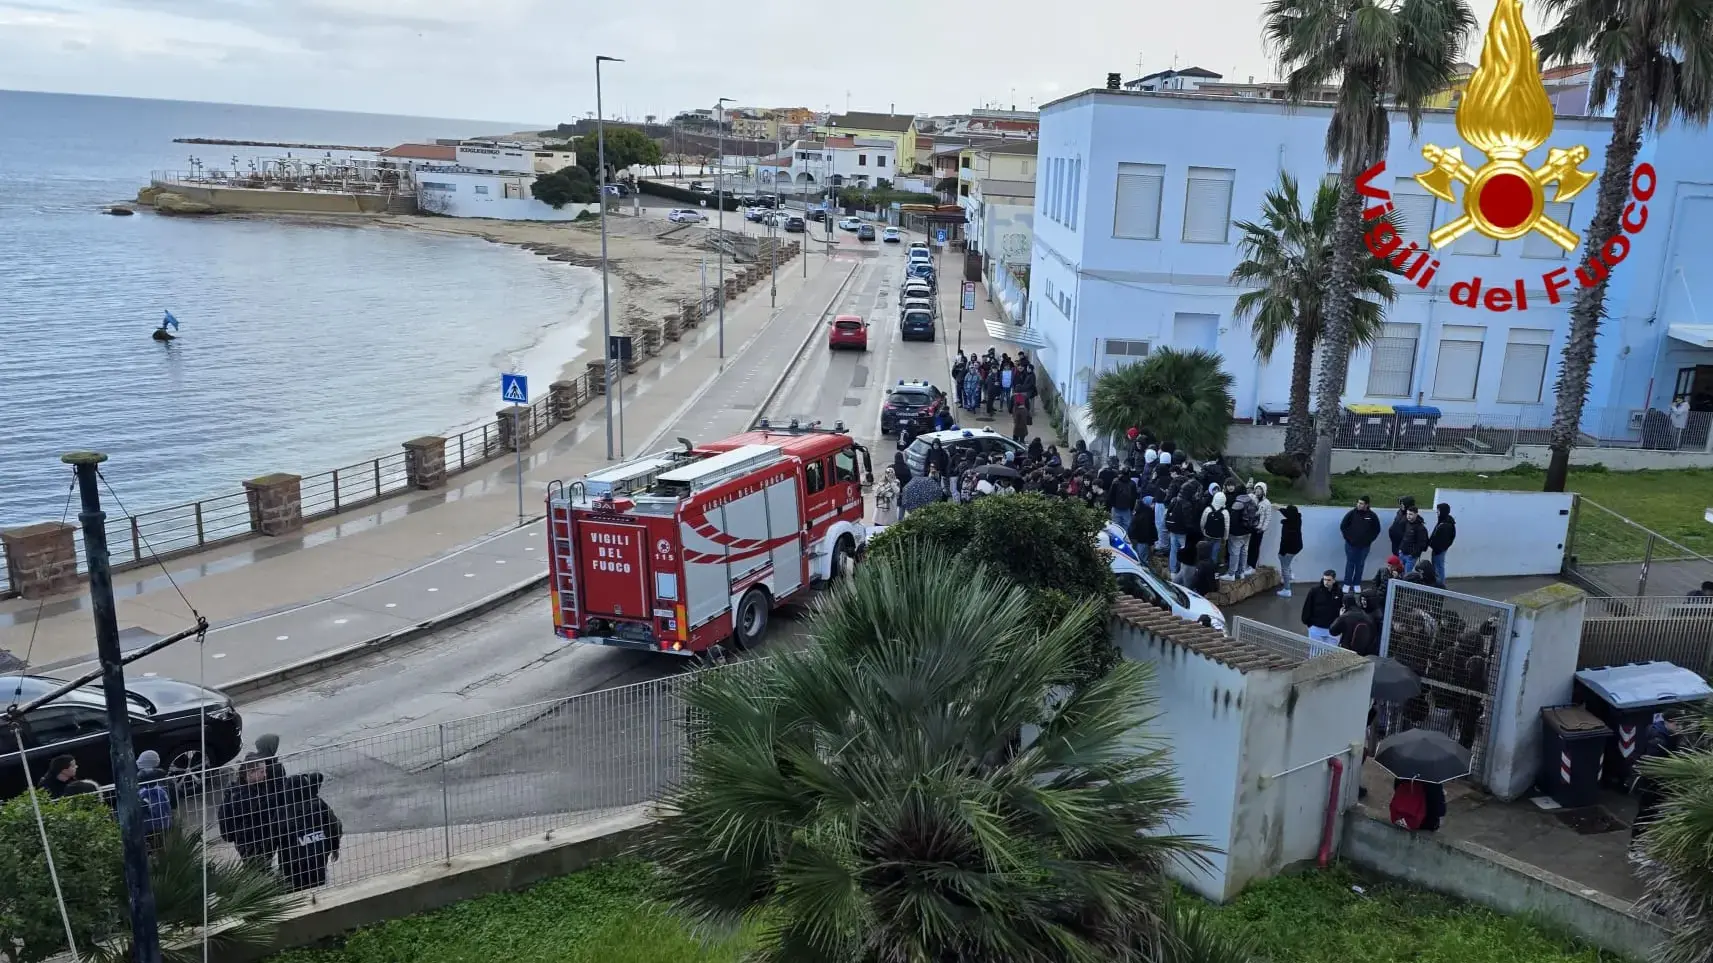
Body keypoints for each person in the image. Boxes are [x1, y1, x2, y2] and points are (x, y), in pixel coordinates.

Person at [276, 772, 343, 891]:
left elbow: (272, 838)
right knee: (321, 889)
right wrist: (334, 847)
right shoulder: (318, 804)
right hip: (317, 860)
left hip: (291, 866)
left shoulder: (282, 812)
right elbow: (334, 826)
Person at [219, 754, 282, 870]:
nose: (265, 775)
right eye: (261, 771)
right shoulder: (239, 795)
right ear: (250, 773)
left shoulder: (256, 787)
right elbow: (261, 807)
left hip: (261, 839)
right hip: (250, 842)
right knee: (257, 869)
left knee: (262, 867)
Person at [1339, 496, 1382, 592]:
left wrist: (1369, 540)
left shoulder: (1372, 516)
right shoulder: (1351, 514)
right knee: (1350, 563)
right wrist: (1349, 538)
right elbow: (1343, 526)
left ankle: (1357, 583)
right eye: (1358, 503)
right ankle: (1347, 583)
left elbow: (1376, 529)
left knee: (1360, 564)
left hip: (1364, 546)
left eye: (1361, 503)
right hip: (1351, 545)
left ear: (1367, 505)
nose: (1359, 505)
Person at [1301, 570, 1342, 644]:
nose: (1326, 582)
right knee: (1315, 652)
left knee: (1333, 654)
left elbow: (1341, 607)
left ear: (1334, 580)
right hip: (1316, 628)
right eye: (1324, 579)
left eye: (1329, 580)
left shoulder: (1339, 592)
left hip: (1332, 629)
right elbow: (1307, 607)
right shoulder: (1314, 591)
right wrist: (1308, 623)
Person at [1200, 490, 1231, 579]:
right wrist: (1225, 537)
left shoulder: (1208, 509)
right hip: (1218, 537)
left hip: (1207, 535)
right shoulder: (1225, 512)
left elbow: (1202, 522)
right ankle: (1211, 573)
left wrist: (1204, 532)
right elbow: (1227, 526)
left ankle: (1203, 572)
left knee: (1205, 553)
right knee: (1214, 554)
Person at [1275, 503, 1303, 598]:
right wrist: (1279, 508)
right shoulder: (1297, 519)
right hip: (1297, 547)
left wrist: (1281, 553)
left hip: (1289, 548)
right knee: (1286, 562)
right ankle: (1290, 574)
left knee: (1284, 567)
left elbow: (1285, 541)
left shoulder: (1289, 524)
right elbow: (1286, 513)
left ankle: (1287, 590)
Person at [1247, 482, 1273, 579]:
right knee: (1247, 547)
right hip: (1249, 526)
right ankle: (1246, 564)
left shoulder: (1267, 503)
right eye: (1256, 488)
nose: (1258, 490)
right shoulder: (1251, 498)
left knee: (1255, 547)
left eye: (1260, 489)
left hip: (1258, 529)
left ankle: (1252, 566)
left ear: (1263, 491)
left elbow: (1268, 517)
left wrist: (1263, 528)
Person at [1397, 505, 1430, 573]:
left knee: (1407, 575)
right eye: (1407, 514)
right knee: (1399, 573)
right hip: (1402, 553)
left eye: (1411, 514)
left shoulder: (1421, 528)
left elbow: (1422, 544)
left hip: (1411, 556)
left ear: (1416, 514)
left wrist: (1412, 554)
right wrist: (1400, 549)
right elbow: (1403, 537)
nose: (1408, 516)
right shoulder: (1407, 523)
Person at [1428, 503, 1456, 584]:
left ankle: (1440, 587)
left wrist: (1435, 547)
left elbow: (1443, 540)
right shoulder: (1444, 521)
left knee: (1438, 568)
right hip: (1438, 550)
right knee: (1437, 567)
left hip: (1438, 551)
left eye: (1438, 511)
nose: (1437, 513)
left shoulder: (1446, 525)